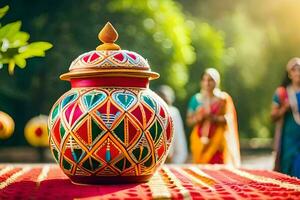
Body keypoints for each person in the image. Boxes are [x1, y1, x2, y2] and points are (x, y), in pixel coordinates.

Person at [186, 68, 240, 166]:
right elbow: (189, 121)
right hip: (199, 141)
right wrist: (199, 117)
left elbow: (229, 120)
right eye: (204, 80)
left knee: (218, 172)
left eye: (210, 80)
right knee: (201, 172)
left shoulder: (223, 99)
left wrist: (213, 118)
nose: (207, 83)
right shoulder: (196, 99)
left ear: (217, 81)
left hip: (218, 142)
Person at [271, 57, 300, 178]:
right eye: (295, 69)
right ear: (289, 73)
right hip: (288, 140)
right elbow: (272, 117)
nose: (298, 72)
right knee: (288, 170)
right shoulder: (282, 93)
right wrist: (284, 109)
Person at [156, 85, 188, 164]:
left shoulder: (174, 113)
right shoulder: (151, 113)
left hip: (170, 161)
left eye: (165, 100)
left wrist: (175, 164)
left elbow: (180, 142)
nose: (163, 103)